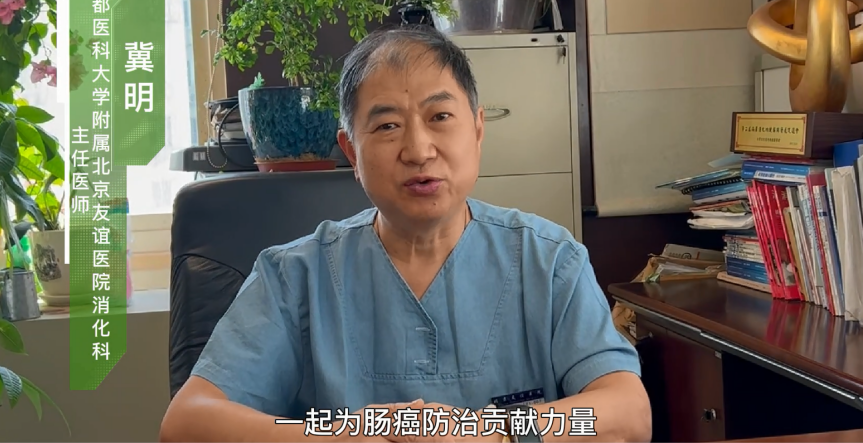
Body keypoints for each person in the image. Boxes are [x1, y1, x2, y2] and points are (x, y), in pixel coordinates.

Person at [160, 25, 651, 443]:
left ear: (478, 130)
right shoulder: (294, 277)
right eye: (387, 126)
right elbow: (187, 423)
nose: (418, 150)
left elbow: (628, 414)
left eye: (440, 117)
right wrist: (342, 436)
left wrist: (492, 431)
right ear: (351, 153)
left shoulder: (549, 260)